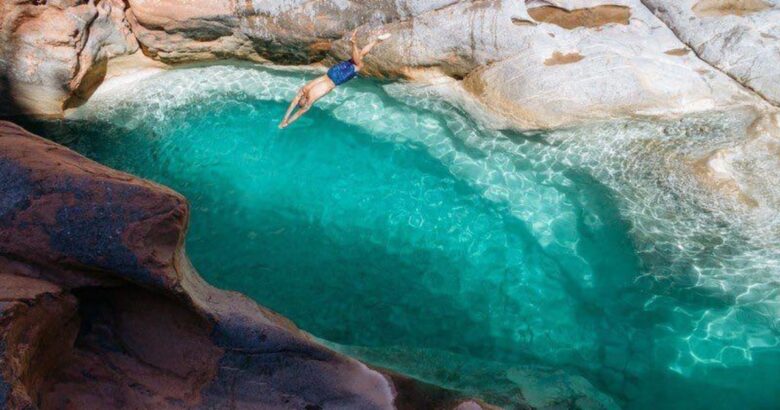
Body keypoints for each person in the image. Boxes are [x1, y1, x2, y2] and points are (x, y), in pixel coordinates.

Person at [279, 30, 391, 128]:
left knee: (358, 65)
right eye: (300, 102)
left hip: (336, 79)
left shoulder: (307, 97)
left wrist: (286, 121)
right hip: (331, 73)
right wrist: (286, 120)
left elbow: (296, 110)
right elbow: (295, 108)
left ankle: (353, 44)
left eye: (300, 102)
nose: (300, 101)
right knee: (359, 57)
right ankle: (376, 41)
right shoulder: (305, 94)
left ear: (303, 100)